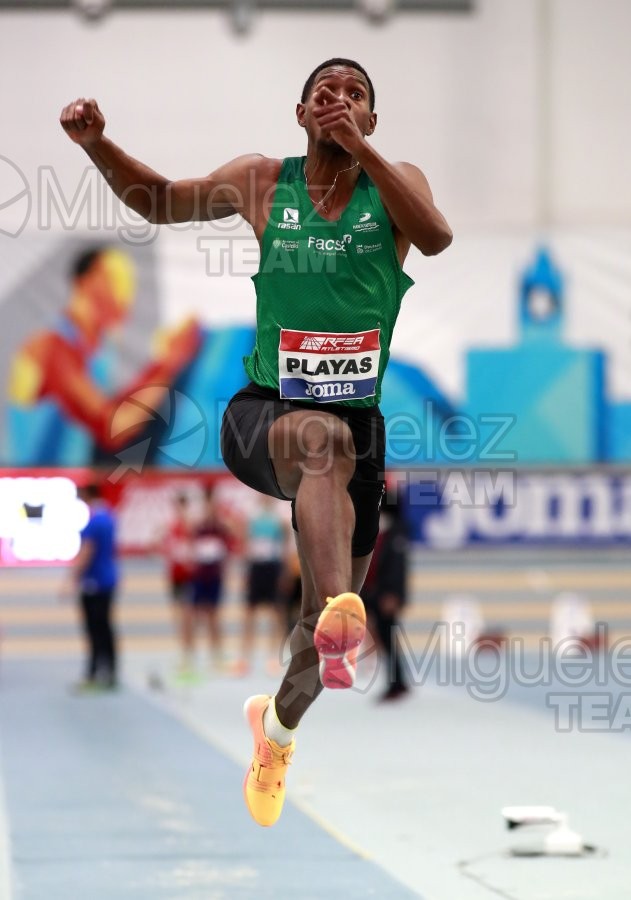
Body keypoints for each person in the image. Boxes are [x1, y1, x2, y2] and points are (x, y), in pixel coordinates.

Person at [60, 57, 452, 826]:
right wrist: (97, 145)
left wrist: (365, 153)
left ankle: (275, 731)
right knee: (318, 440)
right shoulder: (260, 181)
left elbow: (434, 239)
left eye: (357, 96)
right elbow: (160, 202)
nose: (340, 99)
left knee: (311, 644)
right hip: (266, 413)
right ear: (300, 113)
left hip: (359, 431)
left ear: (370, 121)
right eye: (326, 92)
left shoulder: (394, 182)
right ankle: (342, 607)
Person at [7, 246, 200, 466]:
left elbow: (115, 409)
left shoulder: (90, 349)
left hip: (72, 482)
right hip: (37, 485)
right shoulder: (52, 347)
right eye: (113, 280)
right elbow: (115, 428)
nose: (124, 293)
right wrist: (168, 365)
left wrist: (163, 363)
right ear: (86, 282)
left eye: (127, 283)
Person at [232, 495, 292, 677]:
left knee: (276, 613)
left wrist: (284, 572)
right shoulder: (252, 516)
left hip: (272, 567)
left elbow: (284, 546)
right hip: (256, 567)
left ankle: (274, 657)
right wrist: (245, 573)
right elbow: (245, 545)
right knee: (249, 613)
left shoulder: (280, 518)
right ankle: (244, 658)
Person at [70, 482, 119, 691]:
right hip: (108, 579)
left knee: (94, 629)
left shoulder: (95, 521)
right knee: (106, 628)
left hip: (94, 583)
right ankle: (109, 672)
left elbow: (87, 552)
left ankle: (94, 673)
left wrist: (71, 578)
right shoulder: (108, 517)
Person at [363, 495, 410, 702]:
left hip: (386, 596)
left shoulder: (397, 534)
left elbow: (398, 569)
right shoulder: (383, 531)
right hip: (375, 593)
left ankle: (397, 683)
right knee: (384, 640)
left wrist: (394, 595)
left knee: (389, 640)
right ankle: (397, 682)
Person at [161, 491, 196, 677]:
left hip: (189, 577)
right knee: (178, 616)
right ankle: (184, 654)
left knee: (187, 617)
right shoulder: (171, 527)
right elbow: (166, 548)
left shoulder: (191, 527)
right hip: (175, 576)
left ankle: (189, 655)